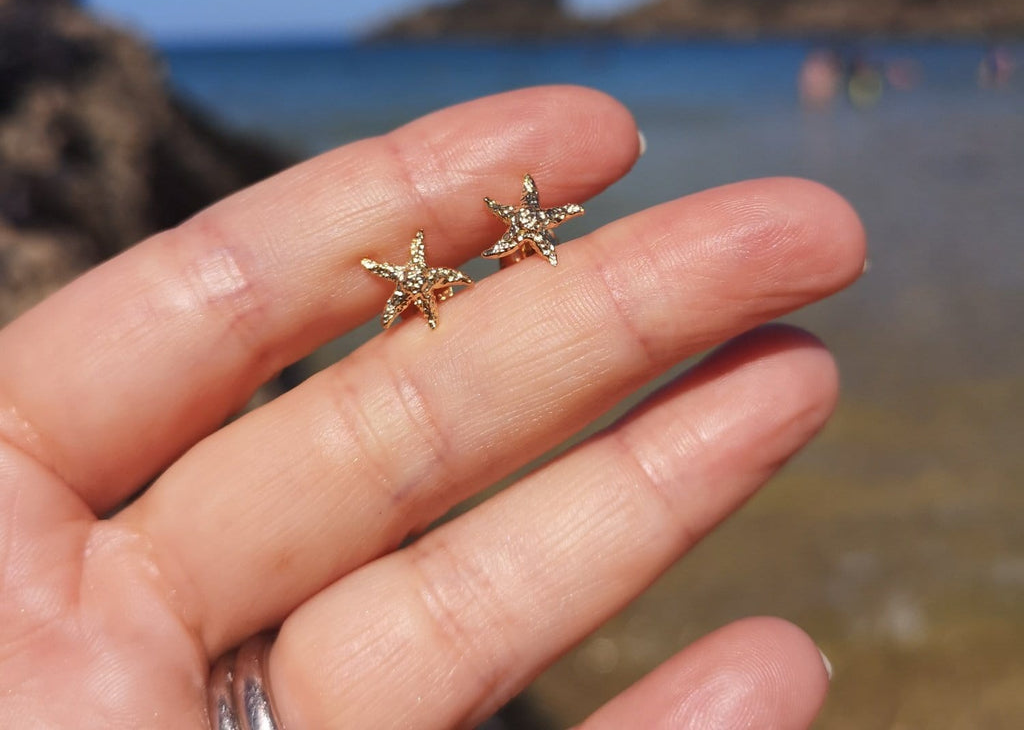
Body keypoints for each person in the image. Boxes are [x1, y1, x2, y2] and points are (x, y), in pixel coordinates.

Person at [0, 86, 866, 729]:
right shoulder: (438, 268)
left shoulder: (460, 260)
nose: (528, 224)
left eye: (531, 224)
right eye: (527, 223)